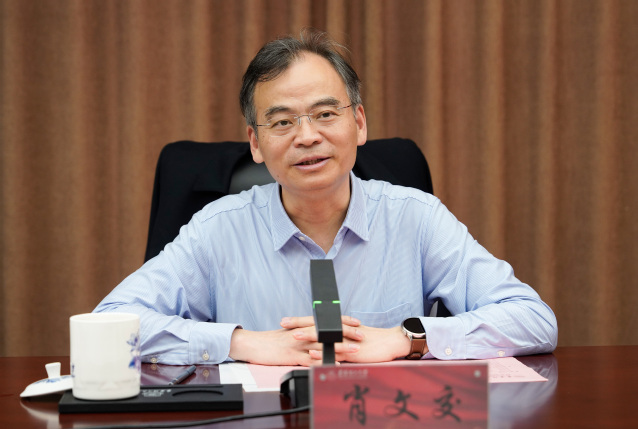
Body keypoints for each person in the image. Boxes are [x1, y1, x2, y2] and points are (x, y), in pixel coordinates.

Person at [95, 30, 557, 366]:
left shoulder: (415, 219)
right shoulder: (218, 229)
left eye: (325, 114)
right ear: (255, 144)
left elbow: (534, 320)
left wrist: (408, 338)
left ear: (359, 123)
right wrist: (242, 343)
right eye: (282, 122)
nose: (307, 137)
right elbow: (110, 324)